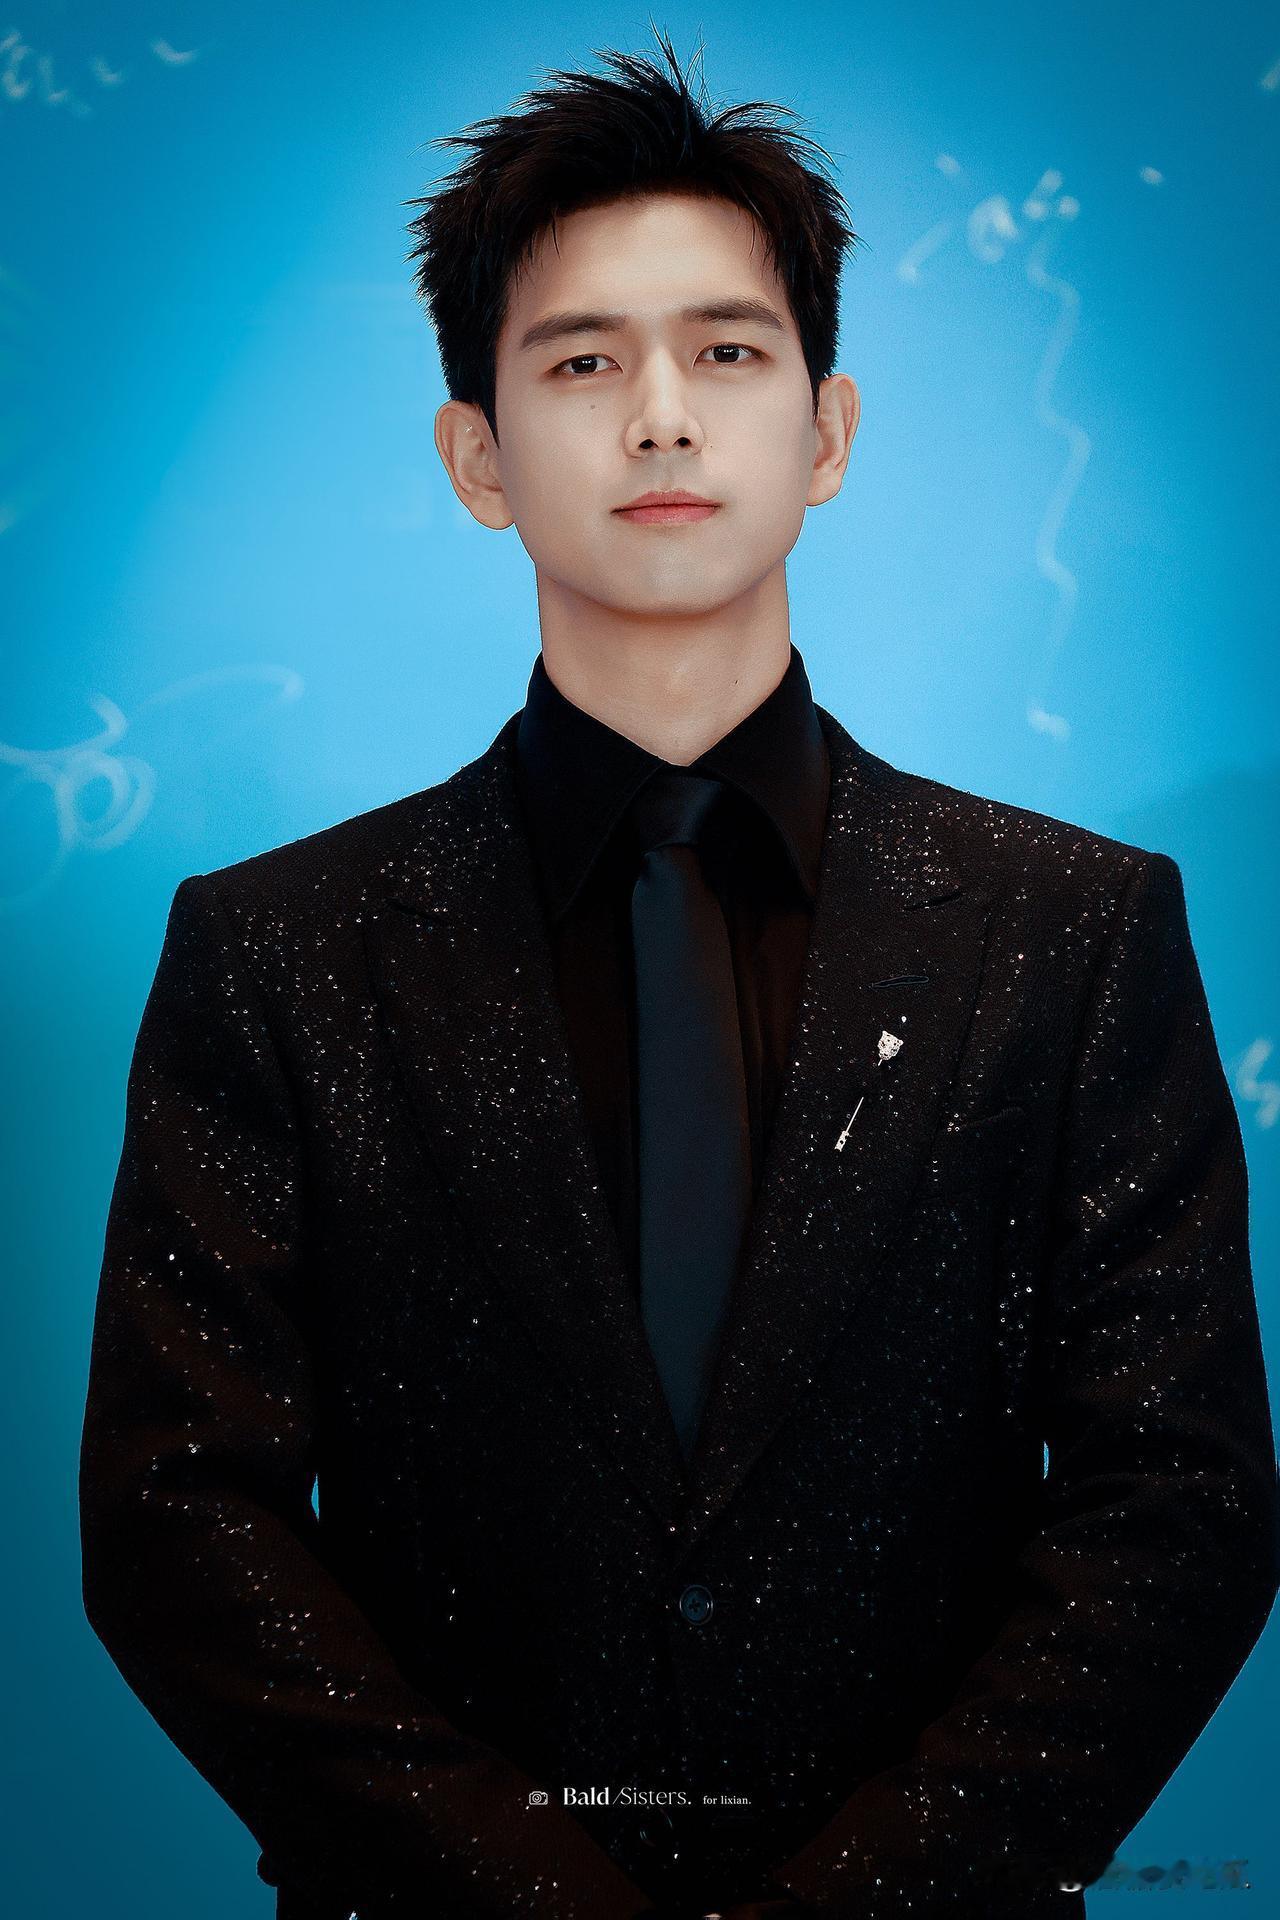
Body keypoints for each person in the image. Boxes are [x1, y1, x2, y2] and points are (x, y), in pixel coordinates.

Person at [78, 31, 1279, 1920]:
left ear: (829, 431)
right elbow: (176, 1521)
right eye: (582, 362)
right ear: (478, 457)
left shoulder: (1074, 929)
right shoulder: (279, 953)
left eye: (727, 352)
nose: (660, 418)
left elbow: (1179, 1502)